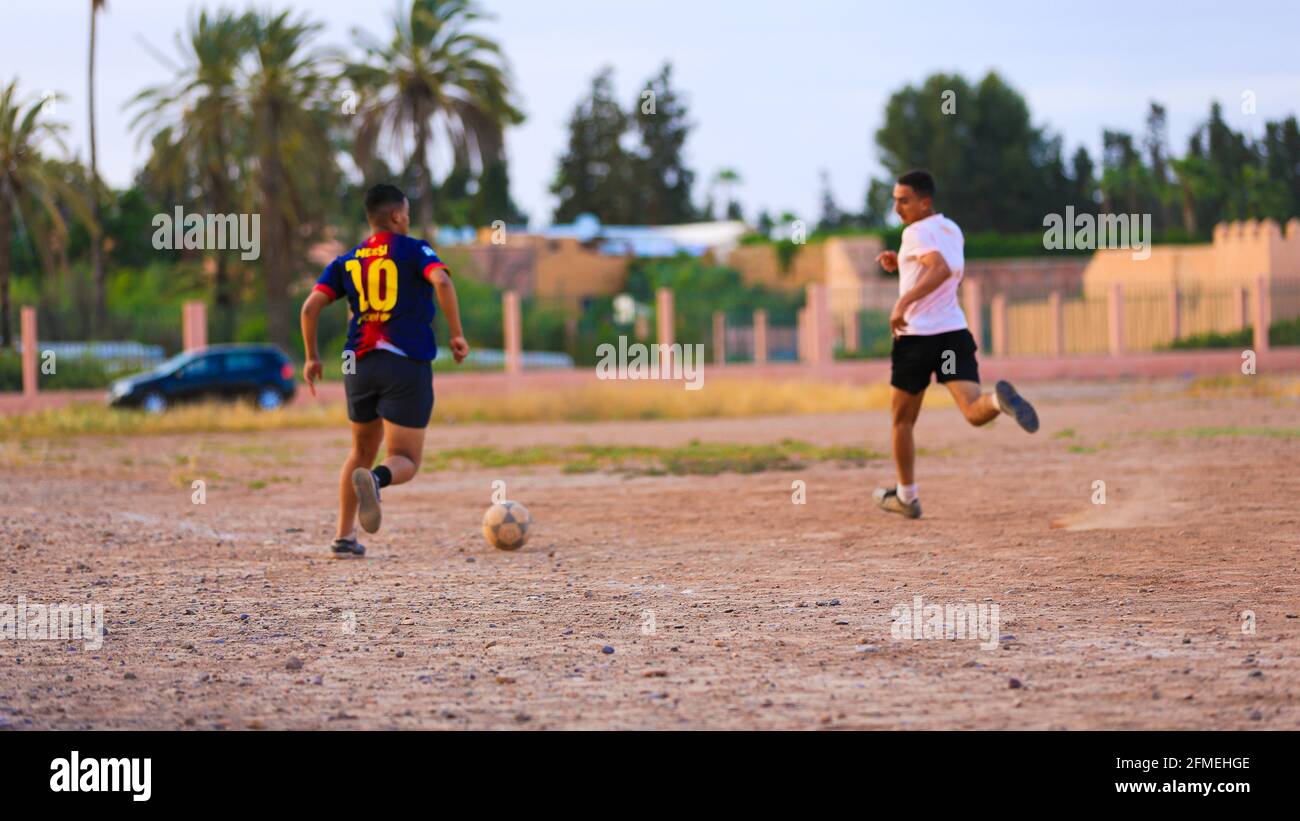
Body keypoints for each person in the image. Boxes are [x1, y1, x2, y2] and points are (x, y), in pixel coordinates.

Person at [299, 183, 469, 555]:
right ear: (396, 215)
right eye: (406, 213)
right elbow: (441, 279)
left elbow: (310, 307)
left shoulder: (346, 260)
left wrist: (312, 358)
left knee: (359, 450)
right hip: (404, 362)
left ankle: (344, 537)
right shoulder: (413, 250)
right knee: (405, 458)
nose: (407, 219)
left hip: (356, 364)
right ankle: (376, 480)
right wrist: (456, 334)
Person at [872, 170, 1039, 519]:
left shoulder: (914, 232)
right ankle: (999, 400)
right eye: (895, 200)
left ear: (924, 201)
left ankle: (906, 496)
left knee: (902, 421)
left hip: (917, 339)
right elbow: (937, 265)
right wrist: (900, 263)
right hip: (952, 336)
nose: (896, 207)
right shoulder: (950, 228)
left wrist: (902, 303)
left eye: (903, 200)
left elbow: (939, 269)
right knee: (974, 409)